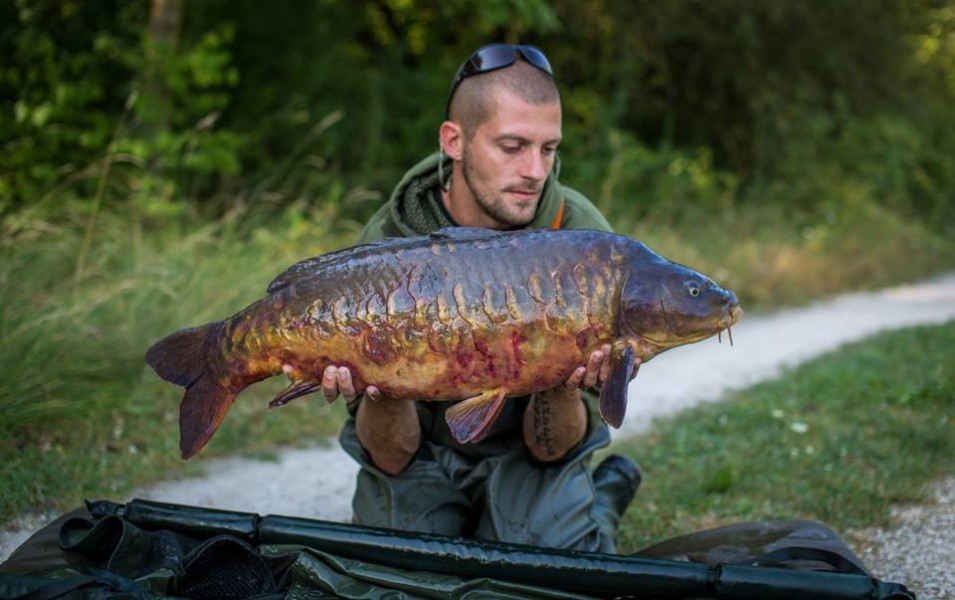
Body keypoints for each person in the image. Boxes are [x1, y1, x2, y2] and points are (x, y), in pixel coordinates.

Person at [322, 43, 641, 552]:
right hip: (421, 448)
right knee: (398, 566)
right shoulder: (389, 240)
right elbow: (391, 455)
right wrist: (380, 383)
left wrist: (562, 374)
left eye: (548, 149)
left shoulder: (582, 240)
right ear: (454, 141)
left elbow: (551, 447)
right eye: (512, 146)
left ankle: (600, 497)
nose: (536, 171)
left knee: (551, 561)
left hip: (527, 454)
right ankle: (601, 490)